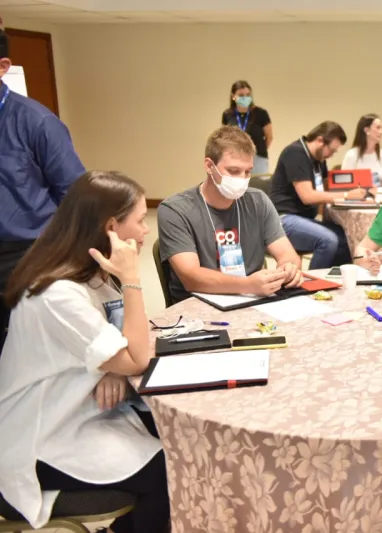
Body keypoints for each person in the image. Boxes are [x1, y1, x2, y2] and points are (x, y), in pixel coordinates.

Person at [0, 171, 169, 533]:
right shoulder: (58, 293)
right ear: (111, 227)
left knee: (173, 437)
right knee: (168, 472)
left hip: (81, 415)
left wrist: (113, 367)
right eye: (140, 221)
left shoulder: (91, 275)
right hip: (40, 438)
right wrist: (131, 279)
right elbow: (137, 355)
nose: (145, 231)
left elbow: (122, 343)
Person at [0, 27, 84, 352]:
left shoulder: (37, 123)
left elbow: (75, 198)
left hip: (28, 256)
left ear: (3, 66)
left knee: (26, 351)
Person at [158, 126, 302, 303]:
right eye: (233, 171)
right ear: (209, 166)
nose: (242, 179)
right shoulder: (175, 210)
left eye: (248, 171)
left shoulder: (258, 201)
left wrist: (289, 268)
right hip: (198, 306)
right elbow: (191, 278)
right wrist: (247, 285)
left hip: (252, 300)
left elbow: (288, 254)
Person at [270, 121, 368, 269]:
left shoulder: (318, 160)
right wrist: (347, 194)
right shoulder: (295, 153)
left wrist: (362, 189)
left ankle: (334, 281)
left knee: (346, 238)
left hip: (304, 219)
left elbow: (327, 187)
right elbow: (307, 196)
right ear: (320, 140)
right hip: (283, 219)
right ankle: (313, 283)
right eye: (332, 150)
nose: (332, 155)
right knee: (328, 240)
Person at [221, 80, 273, 176]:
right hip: (235, 158)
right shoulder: (227, 114)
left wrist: (259, 151)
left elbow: (269, 137)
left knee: (258, 186)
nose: (245, 98)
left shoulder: (261, 113)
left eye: (248, 95)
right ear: (233, 96)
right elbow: (225, 138)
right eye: (241, 95)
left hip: (257, 157)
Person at [341, 113, 382, 187]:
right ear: (367, 130)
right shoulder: (351, 155)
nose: (381, 132)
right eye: (378, 128)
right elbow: (344, 185)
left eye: (381, 128)